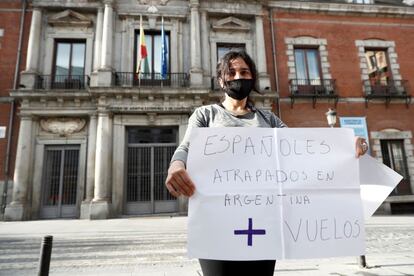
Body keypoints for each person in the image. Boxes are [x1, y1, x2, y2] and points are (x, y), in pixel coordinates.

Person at [165, 51, 368, 276]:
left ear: (252, 79)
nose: (237, 77)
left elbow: (300, 150)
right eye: (231, 73)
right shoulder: (205, 115)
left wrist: (346, 146)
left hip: (263, 223)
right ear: (221, 80)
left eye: (244, 72)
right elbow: (186, 147)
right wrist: (176, 165)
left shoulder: (269, 119)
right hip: (216, 223)